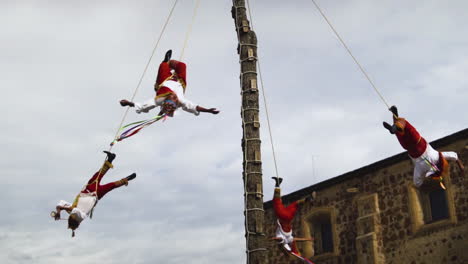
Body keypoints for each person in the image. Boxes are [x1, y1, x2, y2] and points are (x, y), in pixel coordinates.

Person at [53, 151, 136, 237]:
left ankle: (113, 162)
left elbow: (62, 202)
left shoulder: (72, 211)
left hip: (93, 194)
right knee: (103, 180)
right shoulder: (81, 216)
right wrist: (61, 208)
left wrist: (58, 211)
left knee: (108, 184)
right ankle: (121, 174)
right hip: (91, 192)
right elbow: (75, 210)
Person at [383, 106, 464, 189]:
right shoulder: (427, 166)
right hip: (415, 146)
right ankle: (395, 124)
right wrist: (461, 168)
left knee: (406, 128)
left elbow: (454, 156)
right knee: (402, 132)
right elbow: (417, 182)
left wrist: (461, 168)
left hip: (416, 144)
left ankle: (395, 121)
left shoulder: (435, 160)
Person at [120, 50, 220, 117]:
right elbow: (194, 107)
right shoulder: (181, 101)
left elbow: (142, 106)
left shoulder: (159, 100)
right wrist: (208, 111)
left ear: (166, 100)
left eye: (171, 97)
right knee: (182, 65)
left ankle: (166, 61)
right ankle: (171, 64)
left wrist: (128, 103)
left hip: (163, 82)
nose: (173, 96)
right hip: (179, 81)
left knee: (163, 66)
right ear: (176, 101)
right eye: (174, 98)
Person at [271, 177, 314, 255]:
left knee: (295, 204)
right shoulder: (287, 239)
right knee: (277, 201)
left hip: (288, 217)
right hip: (283, 215)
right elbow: (279, 239)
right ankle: (278, 183)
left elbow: (296, 239)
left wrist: (307, 239)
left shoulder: (288, 239)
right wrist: (307, 239)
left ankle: (308, 199)